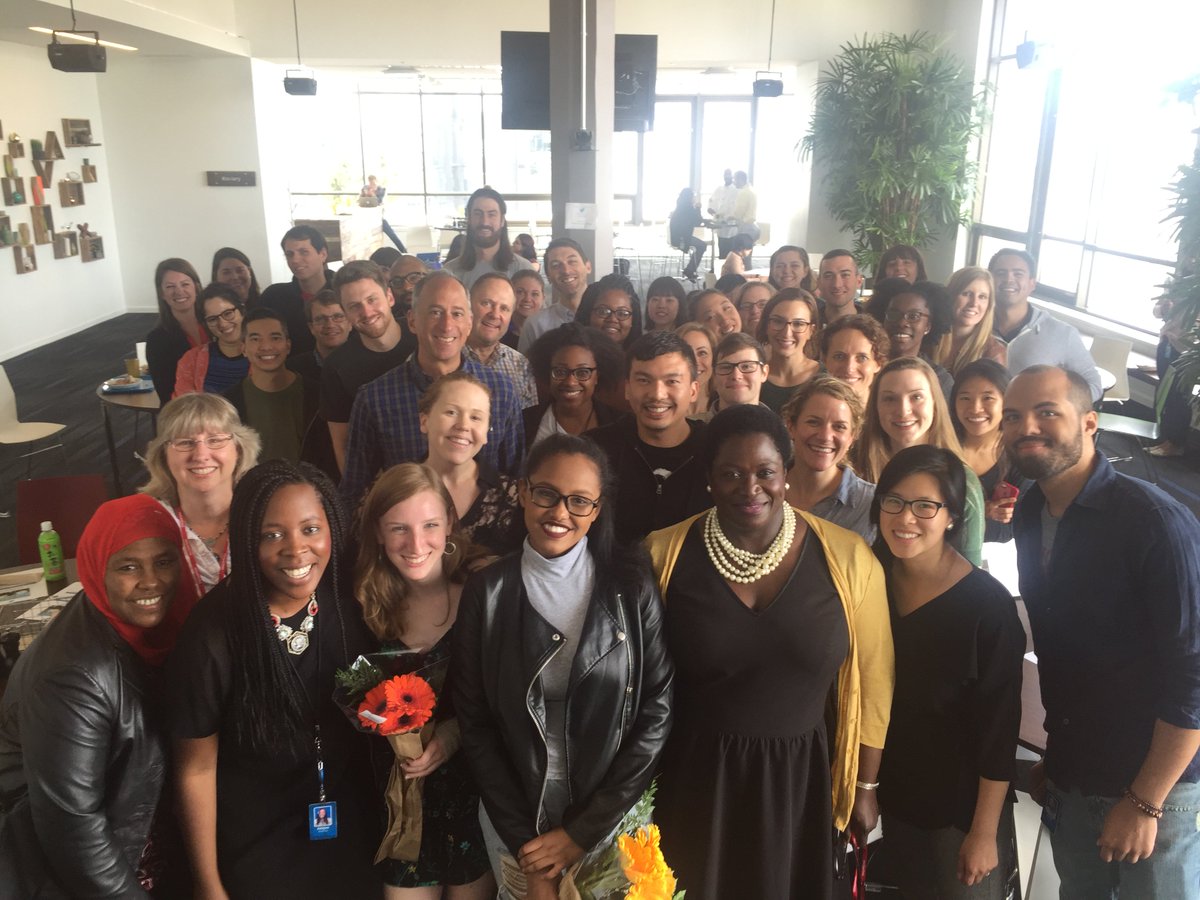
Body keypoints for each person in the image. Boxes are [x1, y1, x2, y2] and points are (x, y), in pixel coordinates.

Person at [645, 404, 893, 899]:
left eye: (765, 472)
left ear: (786, 472)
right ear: (709, 478)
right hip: (695, 780)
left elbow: (874, 679)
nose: (750, 487)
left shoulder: (849, 559)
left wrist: (865, 787)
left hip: (801, 782)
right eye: (731, 473)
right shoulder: (661, 554)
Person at [1001, 365, 1200, 897]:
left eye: (1047, 412)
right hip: (1075, 772)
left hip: (1154, 787)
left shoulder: (1155, 522)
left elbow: (1193, 676)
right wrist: (1058, 757)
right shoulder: (1030, 511)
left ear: (1090, 422)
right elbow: (1062, 648)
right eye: (1013, 416)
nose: (1026, 427)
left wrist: (1144, 801)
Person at [453, 434, 673, 900]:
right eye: (546, 494)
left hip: (612, 811)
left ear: (597, 509)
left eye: (579, 501)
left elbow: (656, 711)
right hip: (514, 812)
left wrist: (582, 833)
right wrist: (526, 847)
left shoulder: (631, 587)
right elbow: (475, 724)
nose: (559, 512)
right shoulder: (486, 592)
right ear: (523, 492)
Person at [168, 460, 381, 898]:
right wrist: (208, 885)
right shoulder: (212, 635)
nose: (296, 550)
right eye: (272, 535)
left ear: (332, 529)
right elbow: (196, 770)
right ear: (247, 539)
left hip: (346, 829)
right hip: (257, 842)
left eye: (310, 529)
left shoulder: (347, 604)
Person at [0, 494, 197, 898]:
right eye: (128, 566)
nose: (152, 581)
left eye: (164, 561)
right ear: (96, 568)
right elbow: (73, 832)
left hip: (137, 826)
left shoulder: (165, 627)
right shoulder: (73, 677)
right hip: (73, 868)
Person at [872, 445, 1024, 899]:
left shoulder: (987, 607)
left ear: (952, 517)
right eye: (894, 501)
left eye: (926, 506)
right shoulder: (869, 578)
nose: (906, 518)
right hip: (893, 797)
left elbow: (999, 732)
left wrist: (983, 833)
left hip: (960, 812)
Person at [353, 464, 496, 897]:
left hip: (474, 796)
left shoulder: (485, 594)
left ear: (450, 522)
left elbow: (508, 698)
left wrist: (453, 734)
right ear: (377, 532)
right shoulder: (362, 606)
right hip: (398, 804)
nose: (416, 545)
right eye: (399, 528)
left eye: (430, 525)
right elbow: (349, 696)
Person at [341, 271, 525, 507]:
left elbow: (515, 478)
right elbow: (354, 492)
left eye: (457, 314)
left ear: (469, 322)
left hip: (487, 527)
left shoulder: (501, 391)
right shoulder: (375, 398)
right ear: (412, 321)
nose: (447, 325)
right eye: (435, 312)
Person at [854, 357, 985, 565]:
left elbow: (971, 567)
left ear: (935, 403)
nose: (903, 410)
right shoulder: (853, 468)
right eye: (889, 399)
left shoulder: (964, 481)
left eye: (916, 397)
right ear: (875, 407)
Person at [586, 332, 710, 543]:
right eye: (644, 380)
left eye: (672, 381)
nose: (657, 394)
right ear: (627, 388)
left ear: (693, 390)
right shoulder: (594, 450)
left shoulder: (715, 451)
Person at [141, 392, 261, 597]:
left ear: (239, 450)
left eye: (215, 440)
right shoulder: (145, 524)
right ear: (163, 455)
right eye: (185, 442)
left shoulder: (266, 516)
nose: (201, 455)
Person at [322, 261, 417, 473]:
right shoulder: (337, 366)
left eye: (372, 300)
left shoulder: (422, 336)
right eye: (354, 306)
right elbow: (343, 443)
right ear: (345, 313)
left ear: (389, 297)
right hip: (380, 478)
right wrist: (355, 491)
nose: (366, 312)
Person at [419, 373, 523, 557]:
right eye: (451, 412)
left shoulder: (513, 495)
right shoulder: (392, 487)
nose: (463, 425)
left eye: (475, 417)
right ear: (424, 421)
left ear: (486, 432)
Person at [224, 308, 336, 477]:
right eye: (255, 339)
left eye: (275, 338)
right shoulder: (228, 403)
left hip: (311, 488)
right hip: (251, 490)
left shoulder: (319, 395)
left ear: (288, 345)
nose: (266, 346)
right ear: (243, 348)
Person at [988, 249, 1101, 402]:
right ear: (989, 281)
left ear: (1032, 283)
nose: (1009, 279)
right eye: (1001, 273)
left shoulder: (1062, 333)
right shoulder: (973, 327)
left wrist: (1054, 407)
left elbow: (1093, 385)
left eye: (1018, 274)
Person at [783, 376, 876, 543]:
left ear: (852, 436)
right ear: (791, 426)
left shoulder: (871, 505)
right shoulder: (764, 490)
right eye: (813, 422)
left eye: (839, 427)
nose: (825, 436)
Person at [950, 359, 1024, 543]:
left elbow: (1011, 529)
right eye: (965, 398)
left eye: (988, 398)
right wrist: (980, 512)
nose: (975, 408)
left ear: (1007, 402)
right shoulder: (941, 446)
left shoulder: (1020, 454)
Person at [524, 323, 623, 446]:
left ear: (597, 376)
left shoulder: (619, 425)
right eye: (560, 372)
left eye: (582, 372)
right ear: (547, 373)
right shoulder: (524, 422)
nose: (570, 382)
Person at [867, 277, 955, 398]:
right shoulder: (865, 369)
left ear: (928, 326)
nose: (902, 322)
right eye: (893, 314)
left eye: (914, 316)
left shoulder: (939, 379)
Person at [257, 225, 335, 357]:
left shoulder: (343, 293)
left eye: (304, 252)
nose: (295, 260)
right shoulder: (273, 297)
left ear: (323, 254)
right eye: (289, 254)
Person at [465, 273, 538, 409]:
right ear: (468, 305)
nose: (494, 314)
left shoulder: (520, 364)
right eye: (486, 303)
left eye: (504, 308)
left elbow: (529, 418)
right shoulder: (446, 357)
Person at [443, 187, 534, 289]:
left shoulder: (523, 270)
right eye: (478, 214)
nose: (484, 222)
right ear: (469, 219)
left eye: (492, 215)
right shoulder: (450, 273)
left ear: (502, 221)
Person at [146, 258, 208, 404]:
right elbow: (166, 393)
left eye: (185, 284)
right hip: (185, 410)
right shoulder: (157, 340)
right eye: (170, 287)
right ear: (162, 293)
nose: (179, 291)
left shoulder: (216, 323)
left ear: (196, 287)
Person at [173, 284, 250, 398]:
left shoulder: (263, 353)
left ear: (242, 311)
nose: (223, 324)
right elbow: (184, 405)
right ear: (205, 324)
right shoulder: (191, 360)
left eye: (228, 313)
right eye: (212, 319)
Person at [519, 239, 593, 353]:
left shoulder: (605, 318)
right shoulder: (535, 325)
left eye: (572, 261)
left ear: (588, 267)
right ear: (548, 276)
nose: (566, 271)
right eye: (556, 265)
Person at [757, 288, 822, 414]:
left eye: (798, 324)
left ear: (811, 331)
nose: (787, 333)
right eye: (778, 321)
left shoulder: (825, 379)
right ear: (766, 326)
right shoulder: (754, 377)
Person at [934, 267, 1007, 377]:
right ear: (951, 296)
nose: (974, 303)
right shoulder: (929, 337)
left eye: (982, 297)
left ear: (989, 305)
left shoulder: (994, 353)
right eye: (967, 294)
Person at [1149, 290, 1196, 457]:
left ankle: (1175, 444)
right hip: (1166, 344)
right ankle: (1165, 439)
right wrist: (1164, 308)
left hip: (1186, 352)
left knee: (1179, 398)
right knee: (1165, 396)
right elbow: (1156, 312)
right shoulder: (1176, 283)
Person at [821, 314, 890, 406]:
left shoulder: (888, 411)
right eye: (839, 356)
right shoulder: (808, 409)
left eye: (862, 358)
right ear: (825, 360)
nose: (849, 368)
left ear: (878, 363)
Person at [288, 288, 351, 382]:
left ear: (350, 323)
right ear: (311, 327)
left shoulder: (366, 364)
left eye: (338, 317)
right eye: (321, 319)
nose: (330, 325)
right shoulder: (292, 369)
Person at [573, 273, 643, 352]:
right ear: (588, 314)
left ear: (633, 320)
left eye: (622, 313)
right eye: (603, 312)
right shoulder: (572, 356)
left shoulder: (642, 358)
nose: (612, 319)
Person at [710, 332, 769, 413]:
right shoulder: (693, 421)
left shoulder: (779, 421)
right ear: (714, 376)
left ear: (764, 373)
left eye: (746, 366)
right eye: (726, 367)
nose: (736, 376)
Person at [676, 323, 716, 417]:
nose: (695, 362)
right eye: (687, 353)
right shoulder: (665, 405)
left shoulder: (725, 403)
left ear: (714, 358)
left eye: (702, 353)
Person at [669, 188, 707, 282]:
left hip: (677, 238)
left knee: (700, 244)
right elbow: (698, 221)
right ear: (689, 197)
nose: (694, 198)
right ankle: (690, 270)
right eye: (693, 196)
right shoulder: (688, 208)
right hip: (682, 239)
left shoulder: (681, 206)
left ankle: (690, 269)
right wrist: (698, 208)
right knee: (702, 245)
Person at [817, 249, 864, 325]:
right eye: (828, 276)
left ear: (859, 281)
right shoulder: (806, 324)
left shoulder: (873, 326)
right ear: (819, 283)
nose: (837, 284)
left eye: (845, 275)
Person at [506, 270, 546, 348]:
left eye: (534, 294)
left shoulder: (549, 333)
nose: (527, 299)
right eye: (520, 292)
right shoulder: (497, 330)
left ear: (543, 298)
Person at [707, 168, 738, 257]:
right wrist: (711, 209)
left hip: (731, 225)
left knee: (731, 250)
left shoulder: (735, 190)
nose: (727, 177)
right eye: (725, 174)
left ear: (732, 176)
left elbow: (735, 206)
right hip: (720, 224)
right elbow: (711, 202)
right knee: (721, 247)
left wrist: (729, 216)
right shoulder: (719, 189)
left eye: (729, 174)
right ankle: (721, 263)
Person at [731, 170, 759, 242]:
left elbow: (739, 213)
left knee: (741, 249)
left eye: (735, 179)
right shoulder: (751, 190)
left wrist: (729, 217)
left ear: (740, 180)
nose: (734, 182)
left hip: (746, 228)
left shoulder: (743, 193)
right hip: (753, 227)